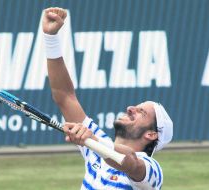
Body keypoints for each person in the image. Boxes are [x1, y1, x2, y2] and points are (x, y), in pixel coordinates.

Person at [42, 7, 173, 190]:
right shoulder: (96, 144)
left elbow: (130, 161)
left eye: (141, 112)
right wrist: (51, 38)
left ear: (151, 134)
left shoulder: (152, 172)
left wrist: (94, 141)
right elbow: (65, 96)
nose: (130, 108)